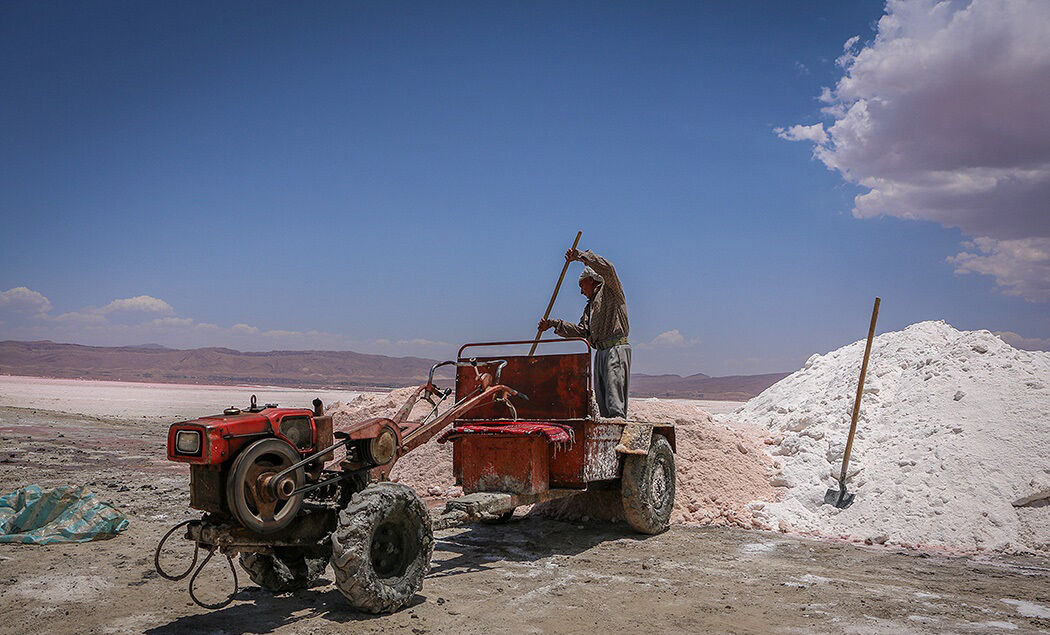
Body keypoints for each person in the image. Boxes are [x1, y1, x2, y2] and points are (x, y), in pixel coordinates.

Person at [538, 247, 631, 418]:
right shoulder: (590, 307)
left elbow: (608, 269)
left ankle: (617, 435)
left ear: (592, 280)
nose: (581, 291)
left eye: (582, 285)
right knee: (602, 400)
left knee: (614, 400)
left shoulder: (610, 289)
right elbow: (582, 332)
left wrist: (581, 256)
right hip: (601, 351)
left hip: (615, 349)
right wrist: (554, 324)